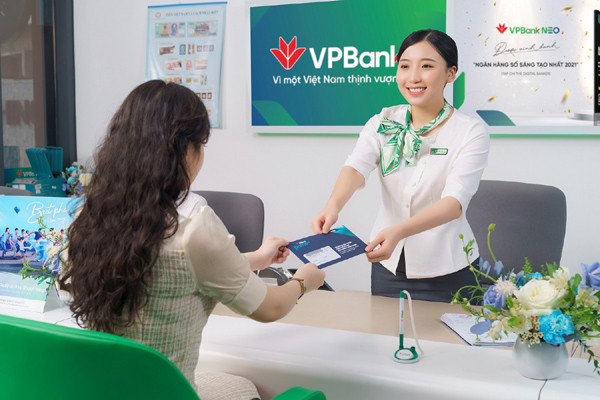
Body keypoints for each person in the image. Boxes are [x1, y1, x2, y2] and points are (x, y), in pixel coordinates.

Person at [60, 80, 325, 400]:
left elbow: (173, 266)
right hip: (170, 394)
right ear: (186, 150)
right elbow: (270, 308)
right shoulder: (195, 229)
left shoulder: (85, 221)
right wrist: (303, 281)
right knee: (245, 387)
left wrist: (257, 257)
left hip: (105, 392)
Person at [311, 29, 489, 302]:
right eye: (405, 66)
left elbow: (454, 203)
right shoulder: (383, 121)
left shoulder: (470, 131)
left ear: (450, 73)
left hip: (449, 268)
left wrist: (399, 230)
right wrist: (332, 206)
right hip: (389, 266)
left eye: (426, 66)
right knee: (386, 329)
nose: (413, 77)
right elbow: (356, 167)